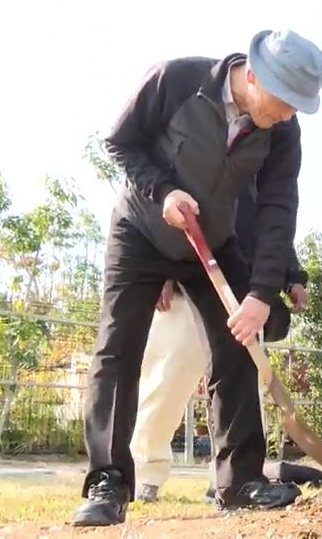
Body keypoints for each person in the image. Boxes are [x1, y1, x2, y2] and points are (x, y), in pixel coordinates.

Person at [73, 29, 322, 527]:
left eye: (299, 106)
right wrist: (164, 191)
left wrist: (259, 293)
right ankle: (108, 480)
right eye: (284, 102)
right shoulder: (177, 79)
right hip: (143, 229)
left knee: (236, 347)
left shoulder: (282, 131)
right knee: (117, 347)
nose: (288, 114)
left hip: (216, 238)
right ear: (252, 76)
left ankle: (239, 482)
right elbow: (121, 142)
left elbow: (278, 210)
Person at [129, 184, 310, 504]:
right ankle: (145, 472)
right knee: (166, 379)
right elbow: (158, 203)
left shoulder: (262, 163)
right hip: (188, 281)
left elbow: (274, 227)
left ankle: (231, 477)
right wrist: (160, 274)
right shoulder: (193, 148)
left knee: (240, 393)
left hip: (244, 295)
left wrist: (293, 275)